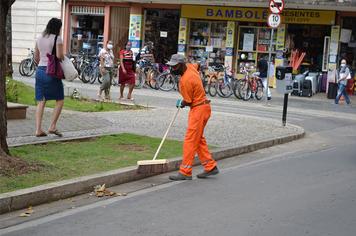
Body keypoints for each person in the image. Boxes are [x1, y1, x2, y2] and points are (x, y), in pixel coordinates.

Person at [167, 54, 219, 181]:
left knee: (190, 140)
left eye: (174, 67)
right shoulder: (191, 67)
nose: (172, 69)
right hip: (204, 108)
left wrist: (181, 103)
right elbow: (198, 65)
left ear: (181, 65)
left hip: (198, 110)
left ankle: (185, 171)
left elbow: (188, 101)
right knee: (198, 139)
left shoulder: (185, 81)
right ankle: (210, 166)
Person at [34, 18, 64, 137]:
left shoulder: (40, 38)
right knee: (60, 99)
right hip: (52, 72)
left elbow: (36, 57)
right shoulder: (57, 38)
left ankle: (38, 129)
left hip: (40, 71)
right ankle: (52, 126)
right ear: (58, 28)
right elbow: (59, 56)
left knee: (41, 100)